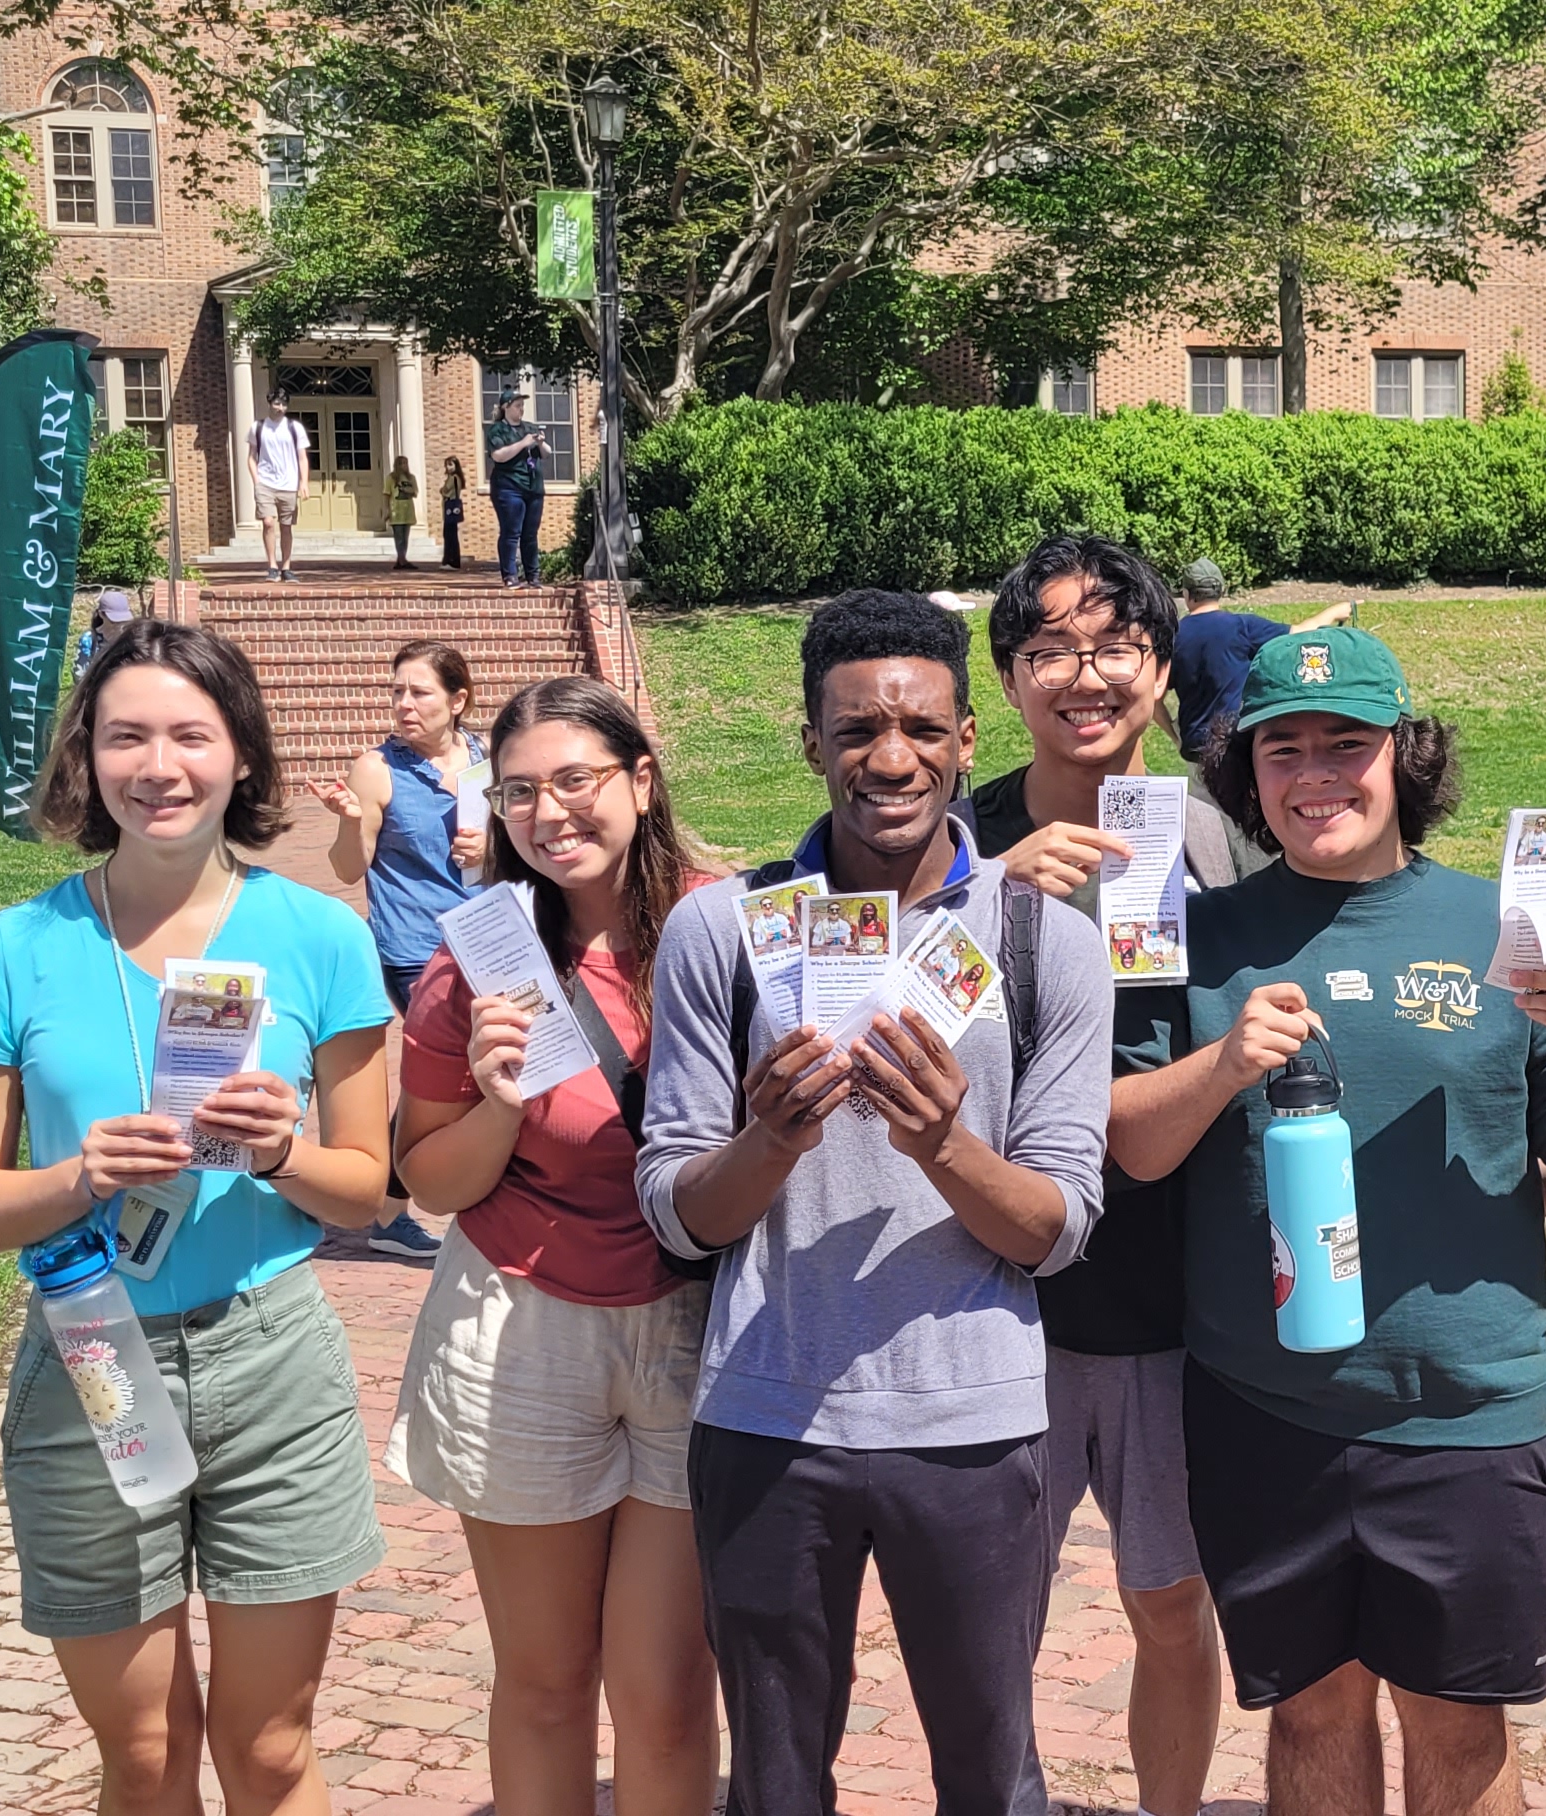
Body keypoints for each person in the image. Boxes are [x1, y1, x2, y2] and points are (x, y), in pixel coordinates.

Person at [1112, 625, 1546, 1816]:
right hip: (1268, 1405)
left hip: (1466, 1404)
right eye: (1283, 749)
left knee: (1462, 1732)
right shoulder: (1194, 938)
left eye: (1347, 744)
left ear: (1402, 755)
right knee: (1311, 1712)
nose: (1316, 774)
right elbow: (1133, 1147)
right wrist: (1220, 1066)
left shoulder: (1504, 925)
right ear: (1244, 774)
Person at [635, 590, 1112, 1816]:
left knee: (991, 1777)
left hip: (973, 1425)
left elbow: (1058, 1229)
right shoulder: (724, 930)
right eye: (855, 730)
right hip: (768, 1415)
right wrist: (774, 1139)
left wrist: (945, 1144)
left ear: (963, 742)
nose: (889, 758)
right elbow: (680, 1211)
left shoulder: (1040, 941)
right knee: (780, 1785)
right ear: (810, 741)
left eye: (919, 729)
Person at [0, 619, 395, 1815]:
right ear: (87, 757)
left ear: (242, 754)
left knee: (272, 1746)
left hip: (273, 1354)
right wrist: (79, 1173)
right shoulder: (14, 949)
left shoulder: (319, 937)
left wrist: (286, 1147)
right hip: (96, 1354)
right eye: (127, 734)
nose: (161, 765)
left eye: (192, 733)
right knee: (144, 1755)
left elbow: (369, 1185)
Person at [958, 531, 1264, 1816]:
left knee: (1170, 1597)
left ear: (1156, 665)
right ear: (1010, 678)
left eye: (1115, 648)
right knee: (984, 1613)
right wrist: (980, 897)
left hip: (1171, 1306)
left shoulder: (1216, 842)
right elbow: (869, 1024)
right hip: (990, 1300)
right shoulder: (955, 841)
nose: (1085, 677)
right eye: (1049, 650)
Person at [389, 676, 721, 1815]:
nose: (549, 812)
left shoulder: (727, 922)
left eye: (575, 780)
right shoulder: (478, 958)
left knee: (671, 1690)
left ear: (639, 779)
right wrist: (493, 1096)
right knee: (543, 1683)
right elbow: (430, 1180)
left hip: (694, 1320)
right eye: (520, 790)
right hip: (523, 1328)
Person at [303, 640, 494, 1260]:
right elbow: (347, 868)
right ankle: (389, 1210)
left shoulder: (486, 761)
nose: (403, 705)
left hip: (488, 937)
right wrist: (348, 818)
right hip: (415, 949)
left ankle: (393, 1209)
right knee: (453, 1072)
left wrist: (490, 853)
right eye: (397, 692)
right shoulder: (377, 769)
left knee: (465, 1074)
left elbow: (519, 847)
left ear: (458, 700)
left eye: (419, 692)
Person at [1161, 558, 1352, 763]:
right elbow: (1299, 633)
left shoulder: (1173, 636)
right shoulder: (1242, 627)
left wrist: (1176, 736)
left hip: (1196, 747)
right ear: (1221, 591)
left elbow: (1154, 696)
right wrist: (1335, 611)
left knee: (1200, 796)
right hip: (1235, 739)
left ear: (1187, 594)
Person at [489, 394, 550, 589]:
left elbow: (546, 453)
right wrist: (523, 443)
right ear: (506, 407)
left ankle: (533, 575)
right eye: (517, 406)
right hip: (509, 487)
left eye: (522, 405)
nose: (521, 409)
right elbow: (498, 456)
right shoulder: (497, 430)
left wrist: (540, 443)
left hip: (533, 488)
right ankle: (510, 576)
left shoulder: (530, 427)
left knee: (530, 534)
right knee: (511, 532)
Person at [251, 395, 311, 585]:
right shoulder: (258, 428)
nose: (280, 407)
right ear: (269, 404)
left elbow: (302, 458)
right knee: (268, 523)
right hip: (265, 483)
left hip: (288, 484)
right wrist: (257, 480)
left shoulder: (294, 428)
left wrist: (304, 482)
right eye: (277, 403)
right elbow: (251, 456)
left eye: (284, 404)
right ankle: (272, 566)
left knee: (286, 526)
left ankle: (286, 567)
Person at [386, 456, 421, 568]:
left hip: (407, 510)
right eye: (401, 463)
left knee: (405, 537)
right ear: (396, 465)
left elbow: (415, 492)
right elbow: (386, 494)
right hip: (396, 510)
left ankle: (401, 559)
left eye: (405, 463)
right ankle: (402, 560)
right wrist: (387, 510)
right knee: (399, 536)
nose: (403, 466)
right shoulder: (391, 478)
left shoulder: (411, 478)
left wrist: (407, 490)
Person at [440, 455, 469, 570]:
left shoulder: (453, 478)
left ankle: (451, 560)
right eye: (447, 465)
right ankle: (451, 559)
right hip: (451, 507)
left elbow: (445, 490)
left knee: (449, 534)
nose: (448, 467)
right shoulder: (457, 478)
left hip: (450, 506)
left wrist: (442, 490)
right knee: (451, 533)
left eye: (451, 464)